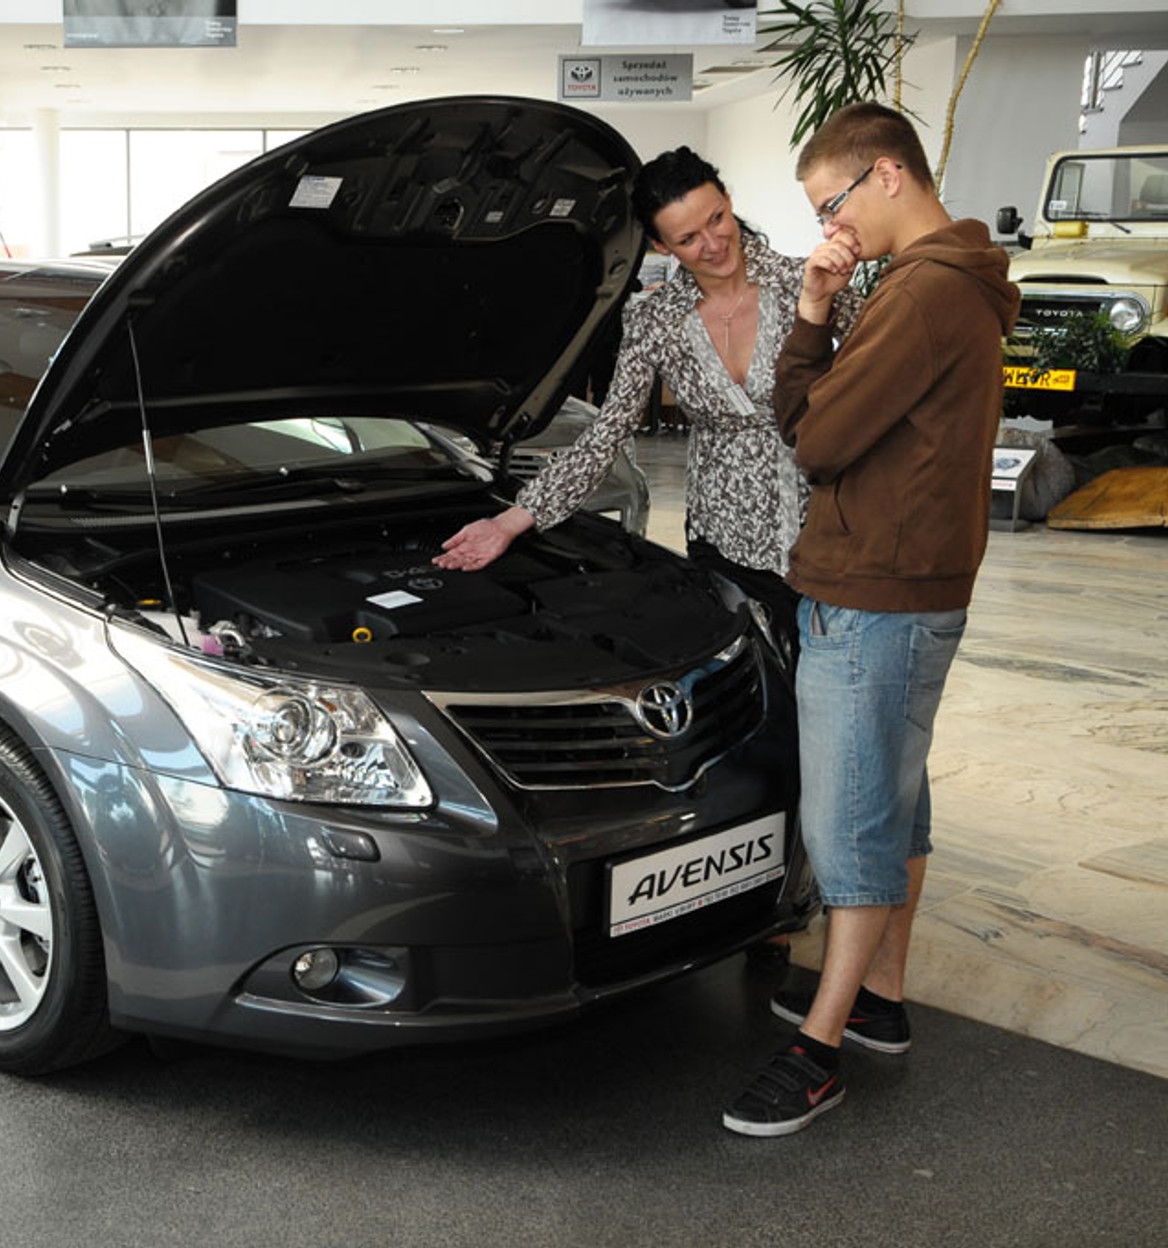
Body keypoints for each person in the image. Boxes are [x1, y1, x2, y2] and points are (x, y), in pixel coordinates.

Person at [720, 103, 1020, 1137]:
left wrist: (809, 328)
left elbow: (811, 437)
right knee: (895, 805)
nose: (829, 231)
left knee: (846, 831)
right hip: (916, 585)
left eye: (830, 205)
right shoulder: (957, 278)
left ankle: (818, 1051)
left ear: (884, 174)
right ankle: (879, 998)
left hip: (873, 594)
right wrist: (814, 305)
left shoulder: (924, 291)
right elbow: (820, 419)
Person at [432, 146, 863, 666]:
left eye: (717, 219)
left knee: (835, 696)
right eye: (687, 238)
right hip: (725, 541)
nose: (712, 244)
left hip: (831, 530)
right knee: (755, 696)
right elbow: (607, 432)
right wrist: (512, 521)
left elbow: (888, 357)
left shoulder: (805, 281)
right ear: (661, 245)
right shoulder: (652, 321)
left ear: (728, 200)